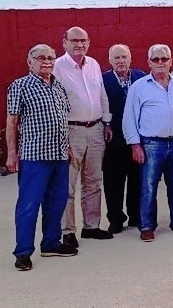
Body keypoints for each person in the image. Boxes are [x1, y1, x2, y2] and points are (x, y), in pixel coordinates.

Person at [7, 44, 78, 271]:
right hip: (34, 157)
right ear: (30, 62)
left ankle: (50, 243)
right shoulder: (20, 86)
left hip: (58, 156)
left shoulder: (58, 85)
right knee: (29, 205)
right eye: (41, 58)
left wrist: (67, 147)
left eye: (50, 57)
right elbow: (12, 122)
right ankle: (23, 252)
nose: (46, 61)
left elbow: (62, 120)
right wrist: (11, 153)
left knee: (56, 202)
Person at [123, 44, 173, 241]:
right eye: (155, 59)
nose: (160, 63)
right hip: (150, 144)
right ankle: (147, 226)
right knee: (148, 187)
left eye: (164, 59)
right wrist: (135, 145)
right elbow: (129, 118)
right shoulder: (138, 87)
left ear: (171, 61)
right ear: (149, 62)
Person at [53, 26, 114, 248]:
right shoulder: (57, 67)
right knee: (67, 184)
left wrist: (106, 122)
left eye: (83, 41)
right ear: (65, 42)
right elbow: (55, 105)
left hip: (96, 129)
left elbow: (101, 94)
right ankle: (68, 230)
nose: (79, 44)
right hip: (71, 131)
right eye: (75, 40)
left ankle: (91, 226)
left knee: (94, 182)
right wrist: (61, 137)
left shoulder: (94, 64)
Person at [102, 44, 147, 234]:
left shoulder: (141, 77)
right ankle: (116, 218)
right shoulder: (102, 80)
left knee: (137, 178)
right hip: (113, 139)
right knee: (113, 181)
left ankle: (136, 216)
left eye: (124, 57)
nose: (121, 61)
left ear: (130, 59)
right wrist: (105, 124)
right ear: (110, 60)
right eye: (117, 58)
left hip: (137, 138)